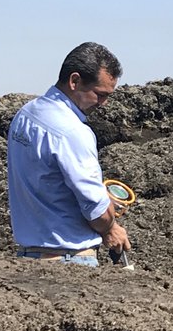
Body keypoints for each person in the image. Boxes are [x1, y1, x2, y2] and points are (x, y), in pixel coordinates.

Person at [7, 42, 131, 267]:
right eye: (100, 94)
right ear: (74, 81)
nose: (104, 104)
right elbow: (97, 213)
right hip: (71, 260)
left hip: (27, 259)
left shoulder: (25, 114)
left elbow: (46, 179)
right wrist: (110, 224)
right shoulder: (72, 131)